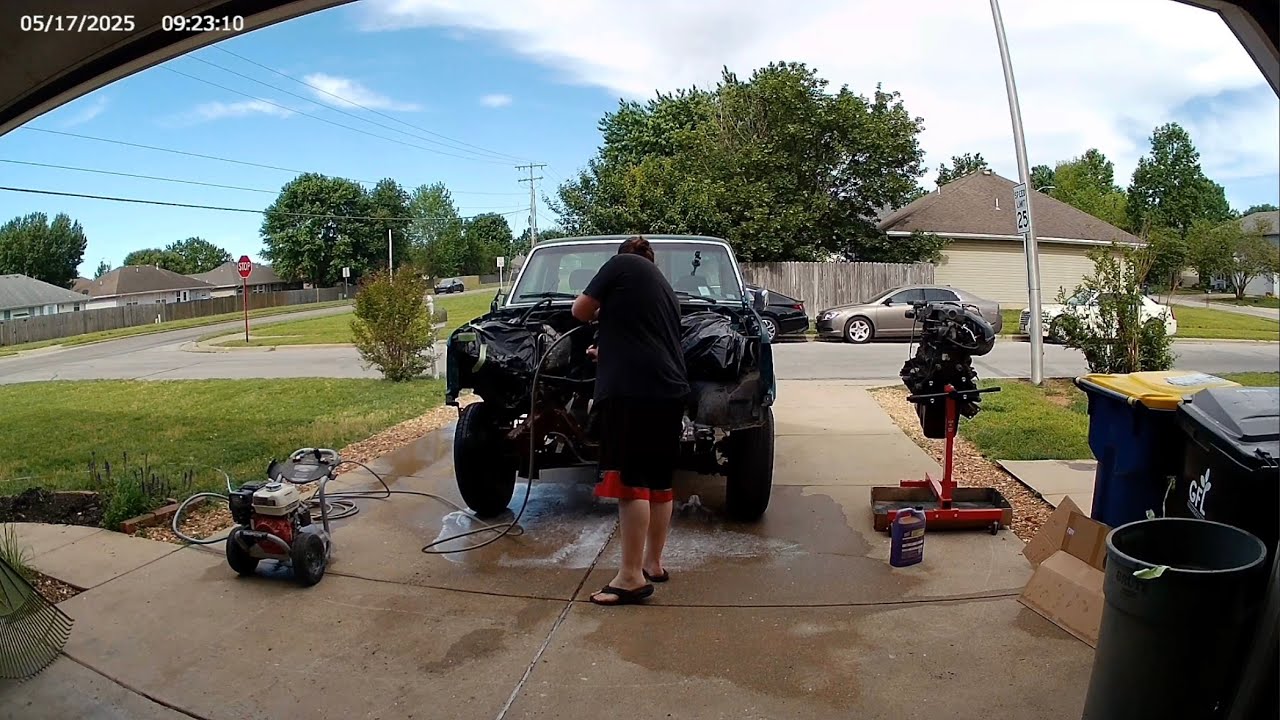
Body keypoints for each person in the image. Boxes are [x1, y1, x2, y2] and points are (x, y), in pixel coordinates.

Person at [572, 236, 689, 606]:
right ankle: (653, 563)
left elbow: (579, 310)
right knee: (658, 484)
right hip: (669, 391)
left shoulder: (622, 264)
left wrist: (599, 312)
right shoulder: (665, 290)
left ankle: (630, 577)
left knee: (630, 482)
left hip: (633, 392)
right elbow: (645, 338)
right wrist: (607, 347)